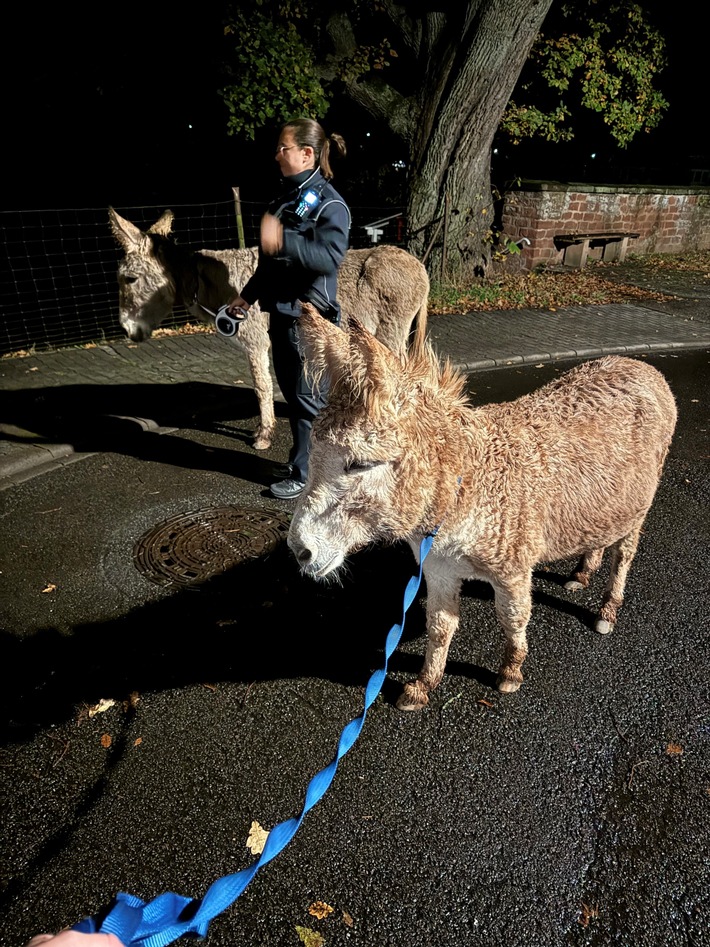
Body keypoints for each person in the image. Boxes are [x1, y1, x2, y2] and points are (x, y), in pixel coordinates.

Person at [225, 118, 351, 500]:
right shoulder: (282, 201)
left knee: (309, 401)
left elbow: (330, 257)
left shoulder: (331, 204)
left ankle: (309, 475)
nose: (276, 154)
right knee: (299, 399)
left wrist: (283, 240)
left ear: (307, 153)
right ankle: (317, 467)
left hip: (311, 318)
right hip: (282, 315)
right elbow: (268, 263)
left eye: (284, 148)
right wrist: (245, 297)